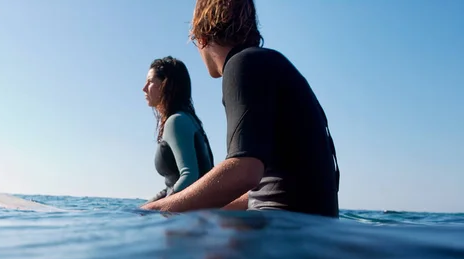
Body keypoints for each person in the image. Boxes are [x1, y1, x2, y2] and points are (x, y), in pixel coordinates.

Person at [141, 0, 340, 218]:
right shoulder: (269, 64)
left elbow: (244, 171)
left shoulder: (241, 64)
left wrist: (151, 211)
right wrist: (205, 212)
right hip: (310, 228)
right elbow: (266, 189)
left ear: (202, 35)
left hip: (285, 234)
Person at [142, 56, 215, 204]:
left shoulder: (177, 121)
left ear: (166, 85)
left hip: (189, 218)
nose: (143, 88)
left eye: (150, 82)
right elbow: (171, 185)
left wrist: (157, 209)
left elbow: (190, 176)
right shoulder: (188, 119)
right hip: (192, 211)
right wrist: (145, 207)